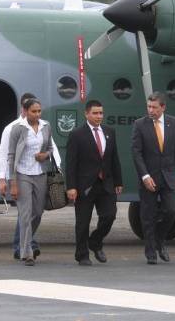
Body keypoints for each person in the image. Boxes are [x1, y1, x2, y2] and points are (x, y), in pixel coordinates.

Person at [0, 93, 55, 260]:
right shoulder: (16, 128)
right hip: (22, 174)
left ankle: (27, 242)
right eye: (34, 111)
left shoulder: (46, 126)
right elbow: (10, 155)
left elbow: (50, 147)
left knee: (37, 212)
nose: (37, 114)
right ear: (25, 111)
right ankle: (26, 252)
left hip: (40, 173)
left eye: (39, 111)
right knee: (25, 214)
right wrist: (10, 181)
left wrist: (45, 155)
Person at [66, 100, 123, 266]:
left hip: (106, 183)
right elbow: (71, 163)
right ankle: (82, 254)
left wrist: (118, 181)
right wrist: (71, 186)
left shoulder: (109, 132)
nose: (99, 116)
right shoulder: (77, 134)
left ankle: (95, 241)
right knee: (83, 222)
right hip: (85, 185)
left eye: (101, 113)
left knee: (109, 215)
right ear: (86, 114)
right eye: (95, 113)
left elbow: (114, 158)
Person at [131, 92, 175, 264]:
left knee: (171, 211)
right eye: (149, 106)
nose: (151, 110)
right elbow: (136, 152)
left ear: (163, 107)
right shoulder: (140, 124)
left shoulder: (174, 123)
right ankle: (150, 252)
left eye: (154, 107)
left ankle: (160, 240)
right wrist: (144, 175)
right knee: (148, 215)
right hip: (149, 177)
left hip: (169, 176)